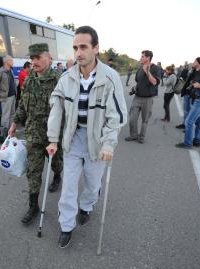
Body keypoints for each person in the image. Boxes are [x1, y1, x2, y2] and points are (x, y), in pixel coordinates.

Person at [46, 26, 127, 248]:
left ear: (95, 48)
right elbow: (56, 108)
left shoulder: (110, 78)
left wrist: (109, 143)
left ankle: (87, 206)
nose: (78, 52)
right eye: (75, 48)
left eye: (83, 47)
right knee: (69, 185)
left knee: (92, 183)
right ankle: (66, 226)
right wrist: (53, 139)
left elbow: (117, 117)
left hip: (97, 141)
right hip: (72, 138)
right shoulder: (67, 77)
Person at [8, 43, 63, 225]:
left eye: (38, 57)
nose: (34, 61)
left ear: (49, 58)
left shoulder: (59, 80)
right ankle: (33, 205)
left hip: (53, 136)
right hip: (33, 134)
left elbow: (68, 109)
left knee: (56, 162)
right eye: (32, 58)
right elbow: (23, 104)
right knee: (33, 171)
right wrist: (15, 122)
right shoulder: (30, 79)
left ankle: (57, 175)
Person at [125, 50, 160, 144]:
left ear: (148, 58)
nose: (140, 58)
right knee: (132, 118)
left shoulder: (155, 68)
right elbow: (138, 82)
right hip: (137, 97)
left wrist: (147, 72)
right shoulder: (140, 68)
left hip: (148, 99)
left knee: (145, 119)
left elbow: (154, 82)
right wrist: (133, 89)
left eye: (142, 56)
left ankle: (141, 137)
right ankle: (133, 135)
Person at [175, 57, 200, 129]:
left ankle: (189, 127)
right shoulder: (192, 70)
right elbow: (187, 80)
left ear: (199, 63)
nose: (193, 62)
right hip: (187, 93)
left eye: (195, 61)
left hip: (194, 95)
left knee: (191, 113)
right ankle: (184, 124)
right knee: (186, 110)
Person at [0, 55, 16, 131]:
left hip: (13, 96)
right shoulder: (0, 71)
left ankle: (11, 130)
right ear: (6, 62)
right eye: (11, 60)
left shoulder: (10, 71)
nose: (12, 62)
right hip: (6, 97)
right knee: (6, 116)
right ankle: (4, 132)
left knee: (12, 115)